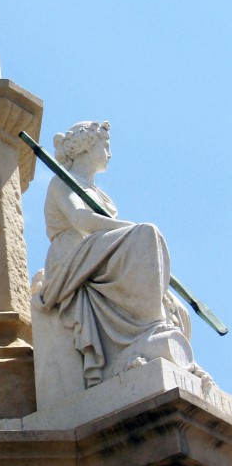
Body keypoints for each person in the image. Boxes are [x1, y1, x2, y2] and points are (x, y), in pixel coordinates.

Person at [35, 121, 199, 388]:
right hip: (73, 257)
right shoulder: (62, 181)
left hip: (98, 252)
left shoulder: (100, 193)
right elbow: (82, 219)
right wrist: (133, 230)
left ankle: (149, 334)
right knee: (147, 235)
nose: (109, 152)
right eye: (105, 146)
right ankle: (147, 332)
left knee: (174, 303)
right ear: (87, 148)